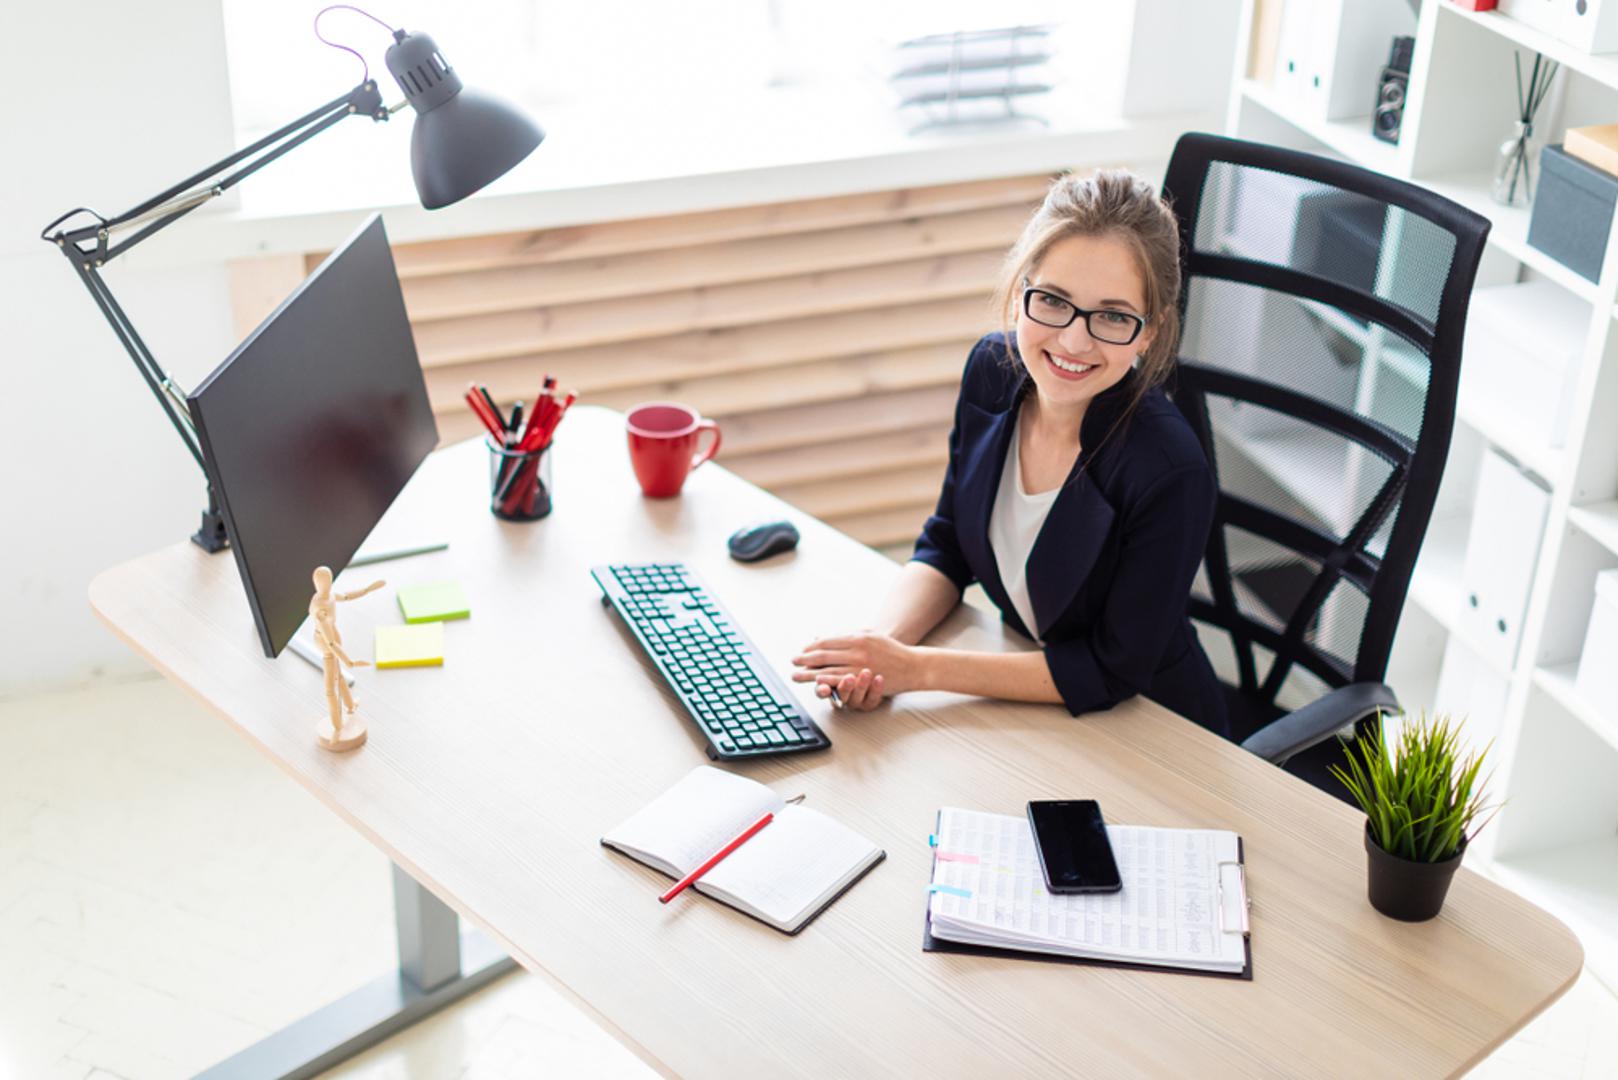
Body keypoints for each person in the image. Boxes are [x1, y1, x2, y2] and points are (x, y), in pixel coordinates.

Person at [790, 169, 1227, 736]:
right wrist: (879, 653)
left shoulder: (1170, 470)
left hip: (1153, 731)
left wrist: (917, 670)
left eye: (1114, 316)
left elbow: (1111, 669)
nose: (1073, 340)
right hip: (1033, 712)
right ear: (1023, 290)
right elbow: (948, 546)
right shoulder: (992, 374)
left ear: (1150, 330)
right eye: (1053, 300)